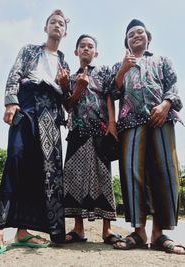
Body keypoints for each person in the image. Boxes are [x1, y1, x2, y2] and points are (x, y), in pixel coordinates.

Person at [0, 9, 70, 261]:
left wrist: (66, 87)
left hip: (51, 114)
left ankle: (23, 232)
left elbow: (66, 99)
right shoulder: (29, 50)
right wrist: (10, 102)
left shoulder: (64, 61)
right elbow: (15, 73)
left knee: (43, 172)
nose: (57, 25)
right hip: (28, 104)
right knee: (16, 161)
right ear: (46, 28)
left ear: (65, 31)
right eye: (53, 22)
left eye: (61, 23)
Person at [110, 19, 185, 254]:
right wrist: (123, 69)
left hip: (161, 119)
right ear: (126, 42)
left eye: (139, 32)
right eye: (130, 34)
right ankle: (139, 232)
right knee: (133, 174)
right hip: (130, 123)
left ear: (148, 38)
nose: (135, 36)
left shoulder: (162, 60)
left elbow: (173, 86)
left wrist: (165, 105)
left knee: (165, 172)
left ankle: (159, 233)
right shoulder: (119, 65)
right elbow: (113, 91)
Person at [62, 34, 121, 244]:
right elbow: (67, 105)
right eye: (82, 46)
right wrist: (78, 86)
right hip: (77, 131)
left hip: (101, 131)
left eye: (90, 46)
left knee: (104, 176)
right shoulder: (68, 76)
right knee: (73, 177)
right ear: (76, 52)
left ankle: (107, 230)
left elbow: (109, 96)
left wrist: (112, 125)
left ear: (96, 52)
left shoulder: (104, 72)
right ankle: (78, 229)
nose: (86, 49)